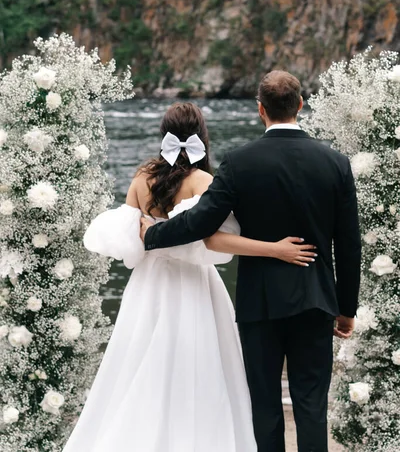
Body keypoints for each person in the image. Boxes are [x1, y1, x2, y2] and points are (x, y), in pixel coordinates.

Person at [62, 101, 316, 452]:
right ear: (202, 136)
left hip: (148, 285)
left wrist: (151, 234)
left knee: (140, 363)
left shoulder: (141, 178)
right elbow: (218, 242)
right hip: (194, 284)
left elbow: (129, 239)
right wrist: (275, 248)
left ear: (163, 134)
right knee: (199, 367)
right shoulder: (203, 182)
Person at [141, 72, 362, 452]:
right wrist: (346, 309)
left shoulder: (239, 162)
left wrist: (152, 235)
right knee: (312, 406)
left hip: (260, 304)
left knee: (264, 405)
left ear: (260, 109)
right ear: (301, 105)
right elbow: (349, 244)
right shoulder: (336, 163)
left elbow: (201, 222)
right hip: (316, 301)